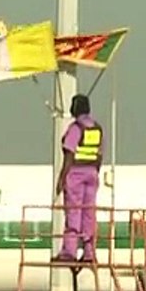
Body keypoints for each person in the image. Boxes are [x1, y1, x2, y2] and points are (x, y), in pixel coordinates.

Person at [54, 93, 105, 263]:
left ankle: (69, 251)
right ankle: (89, 252)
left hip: (76, 173)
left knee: (73, 211)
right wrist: (95, 172)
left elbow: (69, 153)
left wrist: (62, 177)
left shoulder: (76, 128)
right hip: (92, 173)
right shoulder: (96, 129)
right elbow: (99, 154)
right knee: (89, 213)